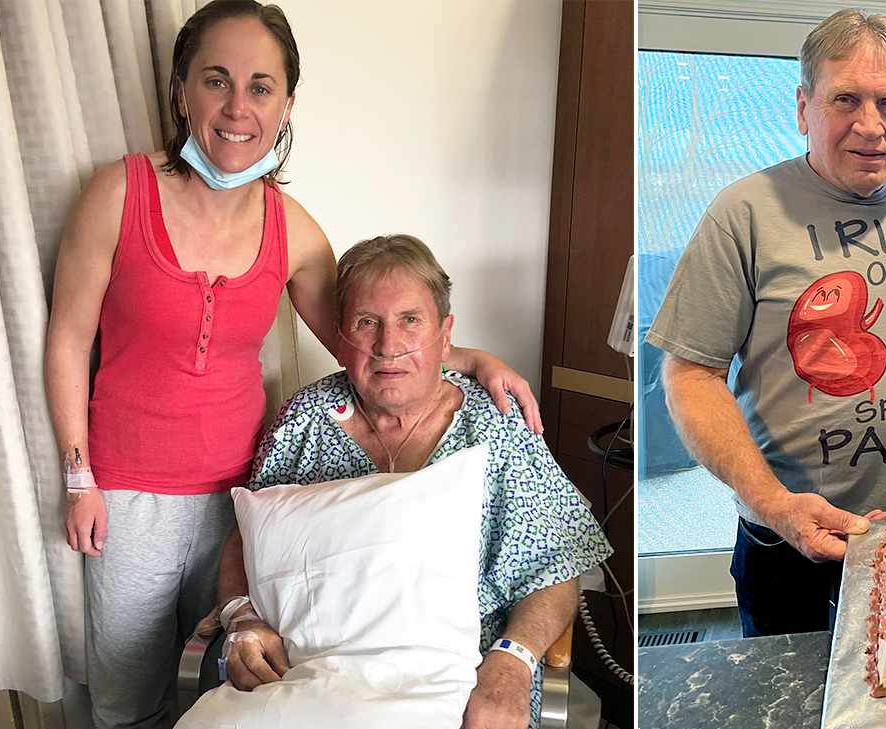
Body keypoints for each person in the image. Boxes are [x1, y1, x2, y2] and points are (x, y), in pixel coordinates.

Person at [44, 3, 538, 726]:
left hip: (243, 502)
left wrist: (470, 357)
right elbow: (65, 339)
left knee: (233, 680)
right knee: (127, 701)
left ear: (286, 105)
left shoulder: (295, 231)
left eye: (261, 87)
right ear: (182, 91)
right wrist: (77, 475)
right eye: (217, 81)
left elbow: (363, 342)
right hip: (128, 499)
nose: (237, 107)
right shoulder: (117, 195)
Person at [646, 8, 886, 637]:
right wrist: (775, 507)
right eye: (845, 99)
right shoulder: (741, 213)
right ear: (803, 108)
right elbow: (689, 374)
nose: (869, 125)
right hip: (792, 543)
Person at [210, 234, 611, 729]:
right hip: (306, 674)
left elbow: (556, 566)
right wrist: (242, 618)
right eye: (367, 323)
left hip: (469, 678)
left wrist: (512, 661)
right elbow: (246, 536)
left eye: (410, 320)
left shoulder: (495, 424)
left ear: (445, 333)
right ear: (340, 337)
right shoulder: (302, 420)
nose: (388, 345)